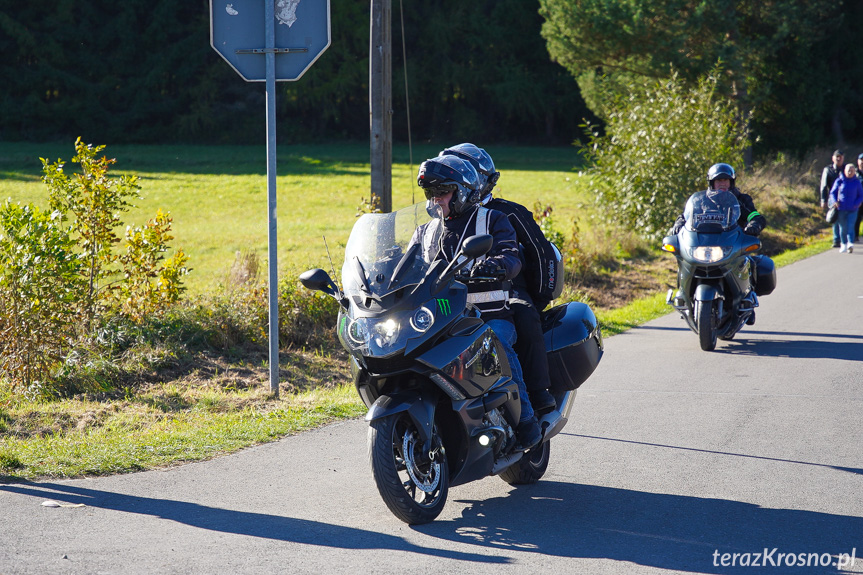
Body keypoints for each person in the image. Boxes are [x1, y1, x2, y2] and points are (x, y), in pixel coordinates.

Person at [413, 154, 543, 449]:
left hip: (491, 316)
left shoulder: (492, 220)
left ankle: (526, 419)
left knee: (493, 341)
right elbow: (407, 263)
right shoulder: (425, 231)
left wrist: (496, 265)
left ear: (462, 191)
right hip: (446, 321)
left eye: (442, 192)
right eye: (430, 194)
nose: (436, 201)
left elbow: (511, 256)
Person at [439, 143, 558, 415]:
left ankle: (538, 393)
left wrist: (539, 298)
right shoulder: (439, 219)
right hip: (456, 292)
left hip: (509, 287)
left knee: (524, 315)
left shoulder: (506, 213)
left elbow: (543, 255)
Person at [670, 163, 771, 323]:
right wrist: (678, 224)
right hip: (705, 242)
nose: (722, 184)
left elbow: (753, 214)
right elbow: (685, 215)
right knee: (683, 259)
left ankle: (747, 300)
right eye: (719, 181)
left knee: (748, 261)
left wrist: (754, 224)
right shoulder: (702, 202)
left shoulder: (740, 199)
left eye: (726, 180)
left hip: (732, 241)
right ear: (712, 183)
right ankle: (684, 294)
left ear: (732, 182)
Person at [827, 163, 863, 253]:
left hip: (853, 209)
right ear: (844, 171)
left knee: (851, 226)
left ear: (854, 172)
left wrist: (857, 203)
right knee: (842, 228)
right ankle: (843, 244)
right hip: (841, 208)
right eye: (848, 170)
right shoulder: (839, 181)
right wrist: (835, 201)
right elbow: (833, 192)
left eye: (852, 170)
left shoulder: (857, 182)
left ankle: (850, 243)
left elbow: (861, 195)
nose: (850, 172)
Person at [821, 150, 845, 247]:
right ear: (833, 158)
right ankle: (836, 240)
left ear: (843, 158)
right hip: (833, 198)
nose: (838, 159)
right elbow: (823, 186)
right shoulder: (828, 170)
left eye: (840, 157)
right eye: (837, 157)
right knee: (835, 218)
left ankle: (845, 238)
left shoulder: (847, 168)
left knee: (845, 218)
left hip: (845, 198)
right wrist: (823, 200)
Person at [855, 153, 863, 243]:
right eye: (861, 160)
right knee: (857, 218)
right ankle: (855, 236)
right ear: (858, 161)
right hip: (857, 199)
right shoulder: (855, 172)